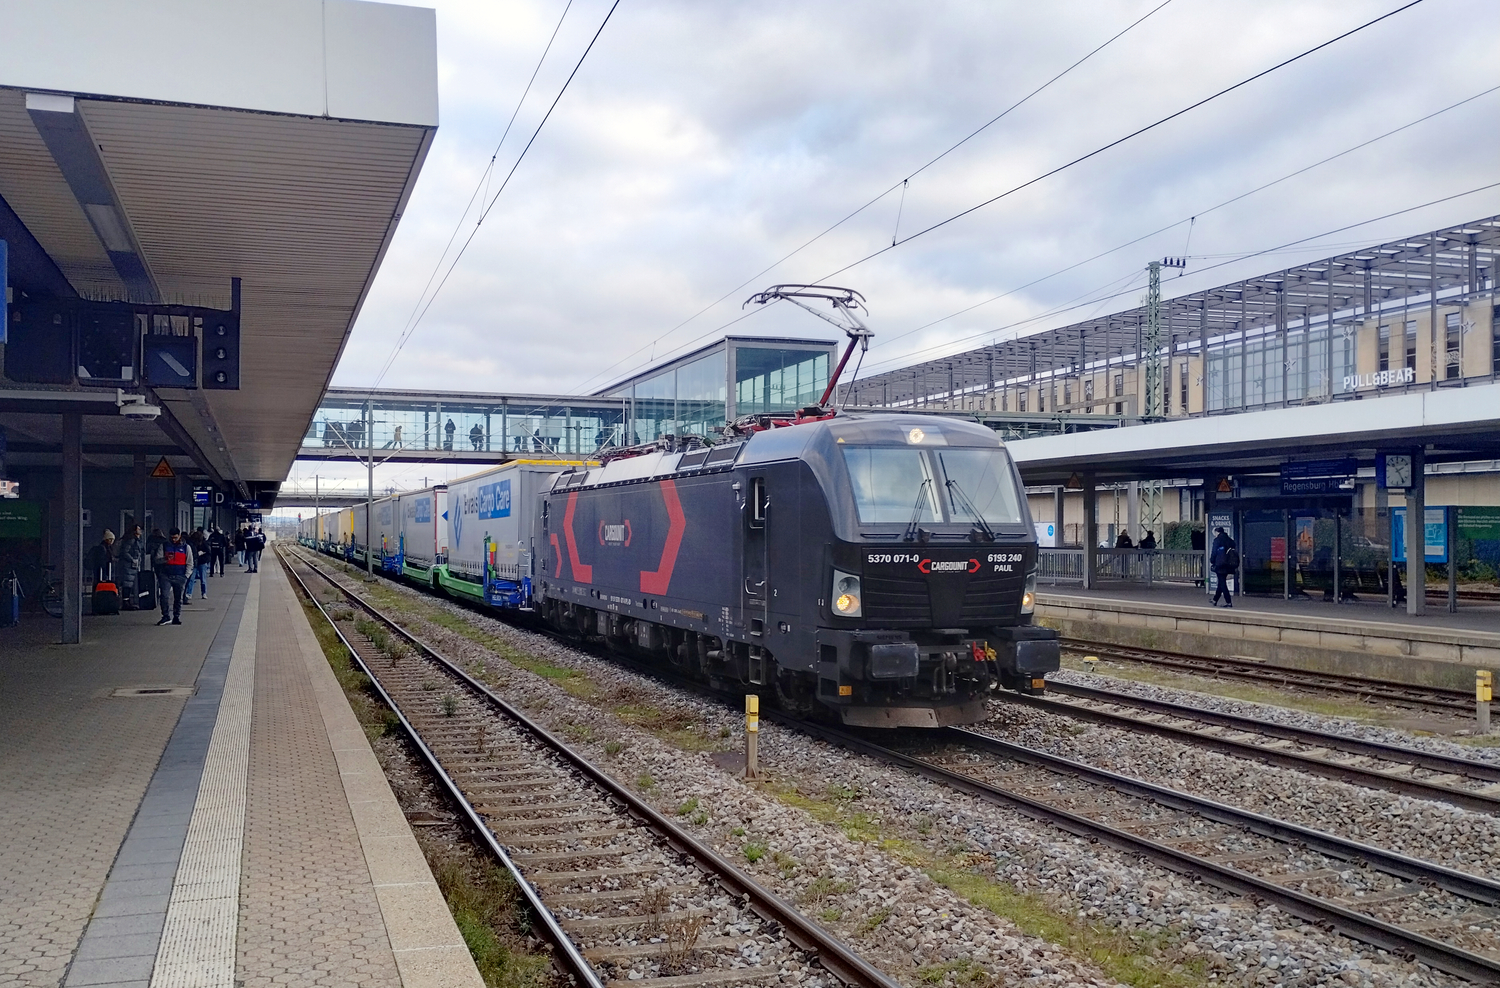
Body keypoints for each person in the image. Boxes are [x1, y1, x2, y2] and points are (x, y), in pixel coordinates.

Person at [154, 528, 192, 625]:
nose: (173, 540)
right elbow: (157, 560)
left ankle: (176, 616)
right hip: (166, 575)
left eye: (175, 537)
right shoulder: (164, 546)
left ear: (179, 536)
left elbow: (190, 562)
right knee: (164, 596)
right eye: (172, 538)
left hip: (180, 575)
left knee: (178, 598)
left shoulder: (186, 547)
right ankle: (166, 615)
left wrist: (186, 576)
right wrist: (165, 559)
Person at [115, 525, 145, 610]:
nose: (140, 530)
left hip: (131, 565)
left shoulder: (135, 540)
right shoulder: (132, 540)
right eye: (139, 529)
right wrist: (132, 560)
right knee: (127, 583)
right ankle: (126, 602)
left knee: (128, 583)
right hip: (128, 565)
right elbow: (125, 552)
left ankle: (126, 601)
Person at [1210, 526, 1237, 607]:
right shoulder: (1229, 540)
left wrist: (1212, 560)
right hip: (1228, 565)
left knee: (1222, 583)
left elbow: (1214, 552)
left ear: (1217, 532)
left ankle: (1228, 602)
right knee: (1221, 582)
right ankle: (1215, 600)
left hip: (1220, 564)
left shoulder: (1217, 540)